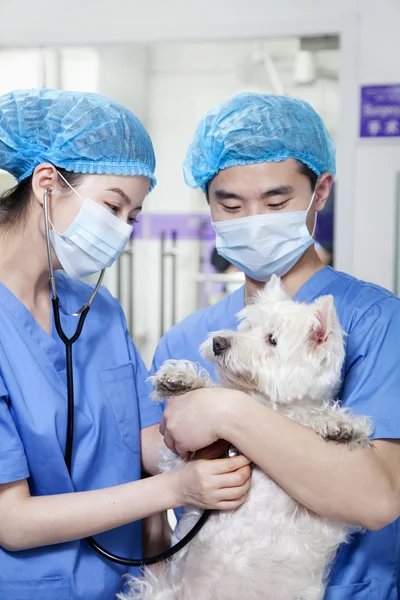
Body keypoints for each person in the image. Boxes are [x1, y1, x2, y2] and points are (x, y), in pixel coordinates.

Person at [0, 89, 251, 600]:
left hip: (123, 583)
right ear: (47, 182)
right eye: (113, 205)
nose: (121, 230)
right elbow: (13, 520)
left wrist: (236, 426)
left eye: (132, 216)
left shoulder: (98, 308)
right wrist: (176, 489)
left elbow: (141, 442)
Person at [152, 93, 400, 599]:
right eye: (230, 203)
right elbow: (167, 497)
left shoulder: (378, 321)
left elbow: (375, 497)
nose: (254, 218)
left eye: (277, 200)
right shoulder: (186, 339)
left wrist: (226, 410)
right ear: (209, 202)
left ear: (320, 191)